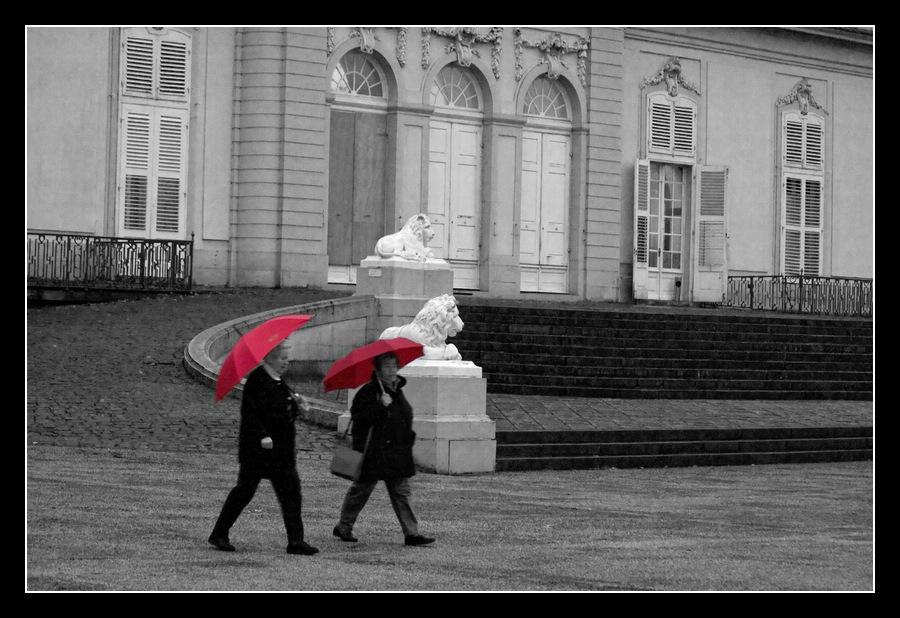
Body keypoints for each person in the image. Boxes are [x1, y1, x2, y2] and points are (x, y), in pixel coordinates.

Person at [208, 342, 319, 555]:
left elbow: (283, 407)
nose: (286, 362)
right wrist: (263, 435)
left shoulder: (278, 380)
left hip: (281, 452)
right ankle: (219, 533)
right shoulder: (257, 380)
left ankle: (296, 540)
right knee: (244, 491)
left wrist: (298, 404)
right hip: (258, 452)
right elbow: (250, 413)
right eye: (282, 358)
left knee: (291, 492)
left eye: (287, 358)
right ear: (269, 358)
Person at [333, 352, 435, 547]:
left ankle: (411, 533)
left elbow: (403, 416)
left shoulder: (397, 391)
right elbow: (359, 417)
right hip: (374, 452)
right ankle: (344, 525)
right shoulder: (369, 391)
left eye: (394, 366)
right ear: (378, 371)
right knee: (361, 491)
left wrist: (408, 439)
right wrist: (380, 405)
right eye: (387, 367)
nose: (392, 371)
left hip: (396, 453)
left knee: (401, 493)